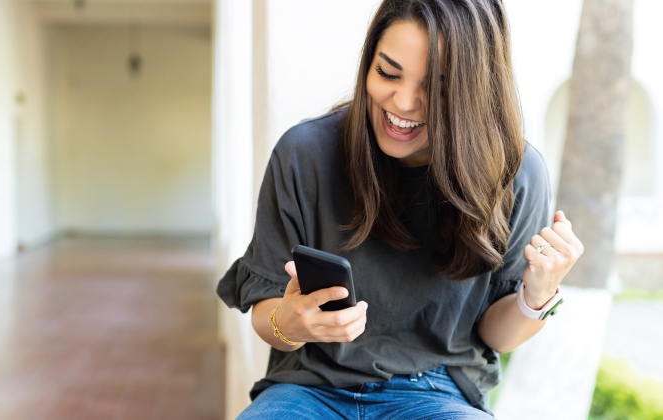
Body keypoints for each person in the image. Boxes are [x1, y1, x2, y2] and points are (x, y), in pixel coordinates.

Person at [217, 0, 584, 418]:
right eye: (387, 73)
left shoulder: (515, 174)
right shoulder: (304, 155)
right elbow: (266, 315)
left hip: (438, 391)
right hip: (308, 387)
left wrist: (537, 297)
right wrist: (290, 323)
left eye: (437, 87)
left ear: (475, 90)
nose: (404, 103)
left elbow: (494, 337)